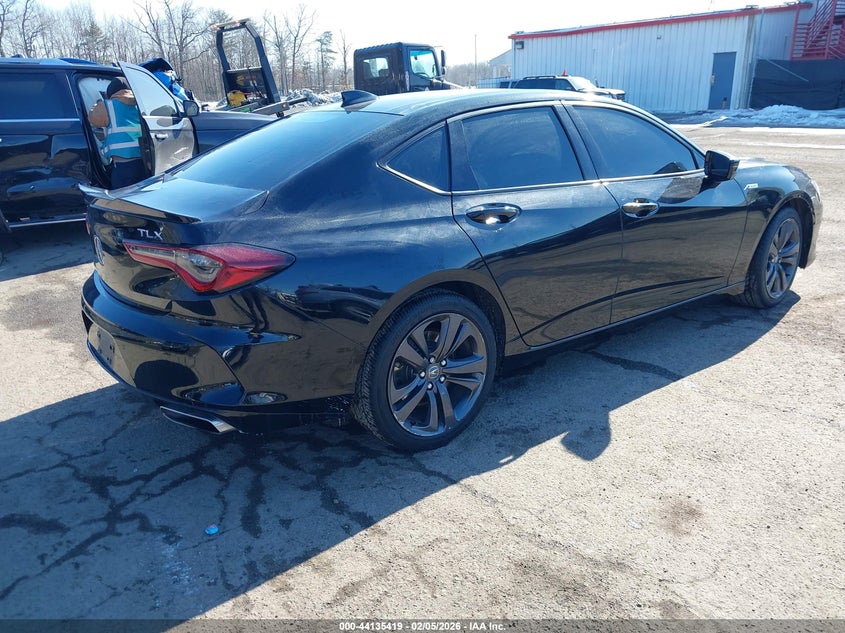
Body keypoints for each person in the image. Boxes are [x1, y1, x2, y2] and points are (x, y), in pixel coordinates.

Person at [87, 77, 146, 188]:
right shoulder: (140, 104)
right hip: (145, 163)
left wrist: (99, 103)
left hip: (123, 166)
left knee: (123, 201)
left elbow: (92, 118)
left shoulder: (108, 105)